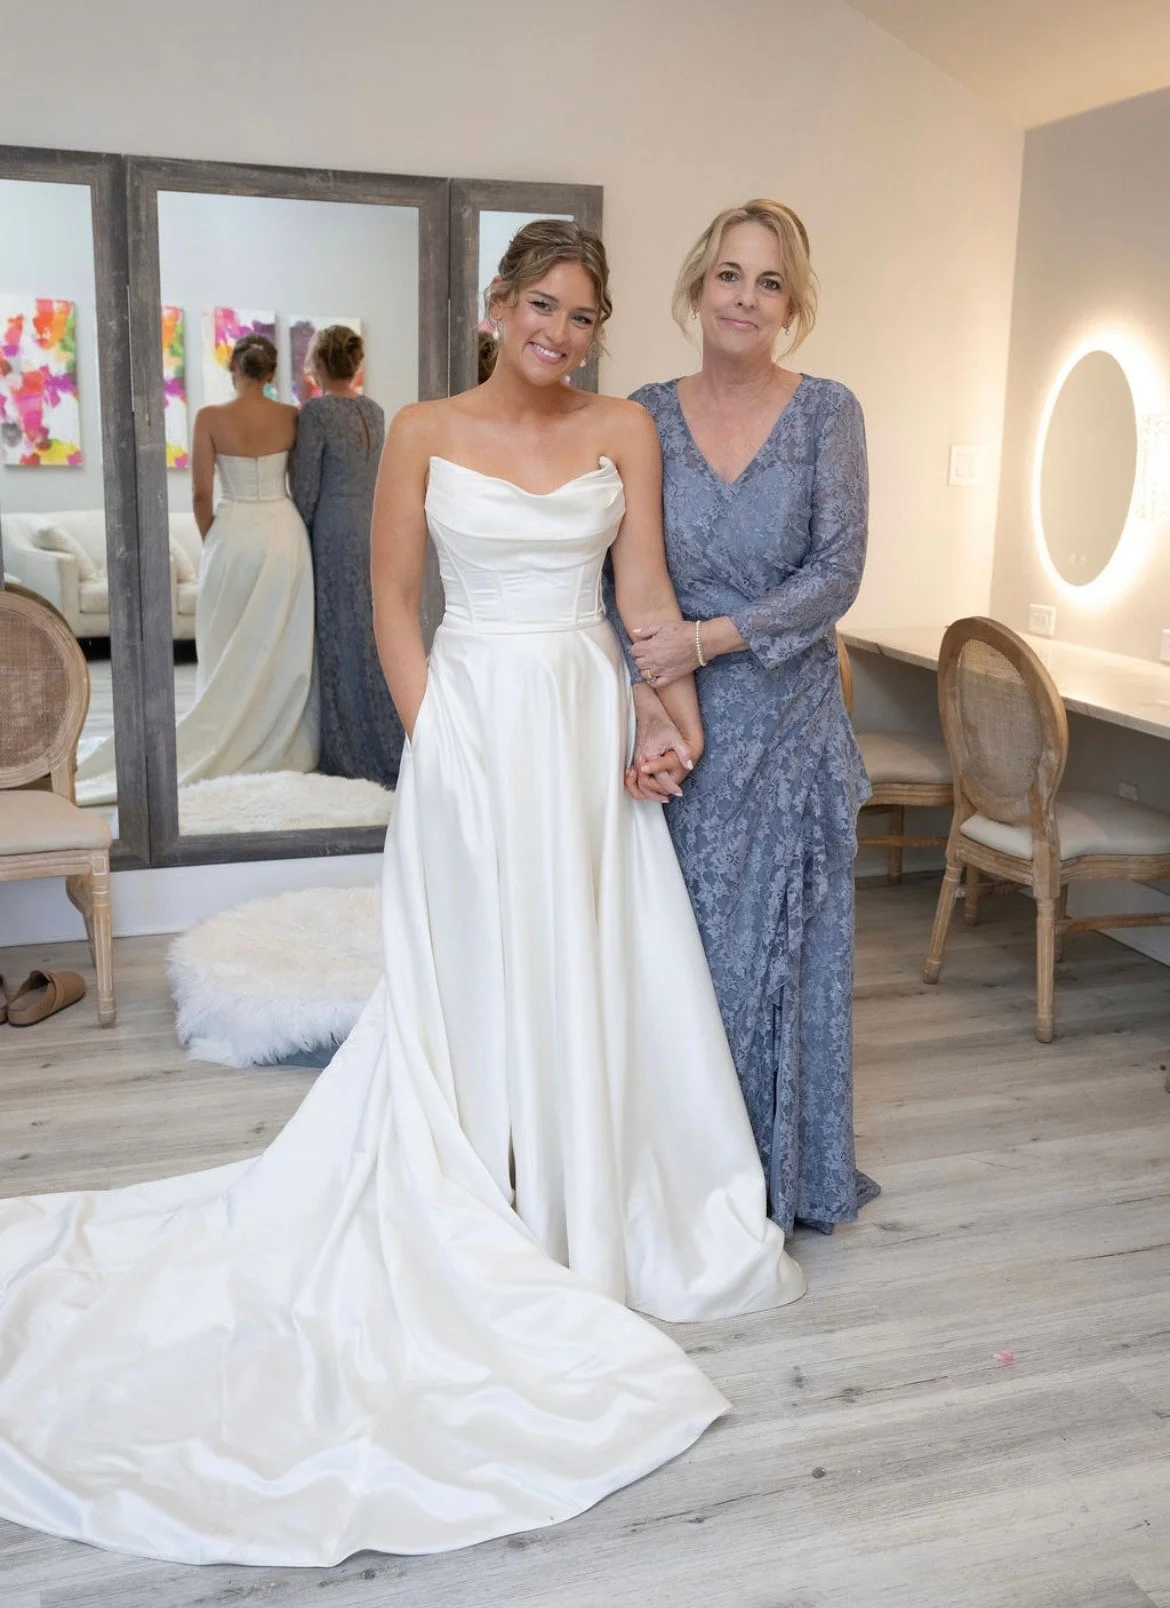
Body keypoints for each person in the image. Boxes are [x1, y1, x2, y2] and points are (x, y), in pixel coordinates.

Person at [0, 222, 804, 1569]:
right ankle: (482, 1189)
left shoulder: (623, 429)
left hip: (582, 718)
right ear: (496, 304)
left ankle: (577, 1199)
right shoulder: (421, 430)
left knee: (587, 962)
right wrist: (441, 752)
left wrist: (673, 720)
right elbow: (390, 604)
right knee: (478, 971)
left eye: (582, 315)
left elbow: (645, 597)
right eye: (540, 304)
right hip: (473, 719)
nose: (559, 332)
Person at [617, 199, 877, 1234]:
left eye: (770, 283)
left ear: (792, 306)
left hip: (791, 732)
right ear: (697, 285)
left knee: (782, 962)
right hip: (680, 734)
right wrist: (651, 698)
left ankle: (777, 1182)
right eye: (730, 274)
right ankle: (679, 1183)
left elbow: (838, 573)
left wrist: (707, 639)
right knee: (679, 961)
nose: (745, 298)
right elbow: (618, 579)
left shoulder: (828, 414)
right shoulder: (642, 416)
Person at [74, 333, 317, 806]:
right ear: (270, 373)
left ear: (233, 369)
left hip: (233, 532)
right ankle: (276, 735)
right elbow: (300, 485)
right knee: (281, 640)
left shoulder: (209, 417)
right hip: (284, 534)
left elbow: (201, 493)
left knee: (224, 637)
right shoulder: (291, 417)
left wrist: (215, 538)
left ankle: (223, 725)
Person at [291, 326, 402, 786]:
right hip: (371, 526)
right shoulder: (373, 410)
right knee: (369, 635)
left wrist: (298, 531)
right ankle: (387, 740)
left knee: (337, 633)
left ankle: (347, 752)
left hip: (334, 530)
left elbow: (305, 488)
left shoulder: (316, 413)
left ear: (319, 363)